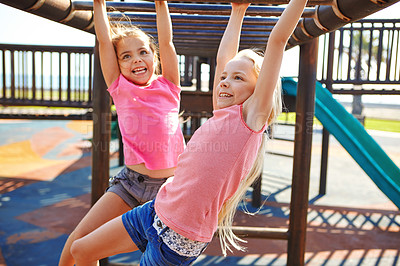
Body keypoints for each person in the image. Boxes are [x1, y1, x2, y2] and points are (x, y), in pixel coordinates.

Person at [69, 0, 308, 265]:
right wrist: (237, 10)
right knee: (81, 250)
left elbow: (277, 41)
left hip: (178, 239)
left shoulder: (251, 119)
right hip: (155, 211)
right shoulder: (221, 111)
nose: (225, 81)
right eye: (224, 77)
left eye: (238, 78)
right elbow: (222, 59)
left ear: (259, 90)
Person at [58, 0, 185, 265]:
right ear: (118, 64)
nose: (136, 59)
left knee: (158, 255)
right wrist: (99, 3)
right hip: (130, 184)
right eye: (126, 56)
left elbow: (167, 41)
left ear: (154, 56)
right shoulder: (120, 88)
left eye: (143, 52)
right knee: (79, 241)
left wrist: (161, 4)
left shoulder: (169, 86)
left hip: (169, 191)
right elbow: (104, 42)